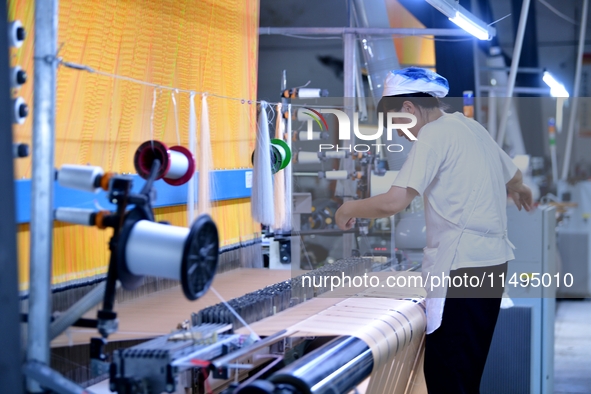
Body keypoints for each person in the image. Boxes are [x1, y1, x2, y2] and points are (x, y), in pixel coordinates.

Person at [335, 67, 533, 393]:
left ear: (409, 109)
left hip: (461, 268)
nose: (399, 134)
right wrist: (523, 190)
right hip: (492, 265)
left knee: (448, 377)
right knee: (466, 371)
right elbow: (512, 176)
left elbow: (394, 202)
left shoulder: (433, 134)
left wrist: (348, 208)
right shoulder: (470, 127)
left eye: (396, 124)